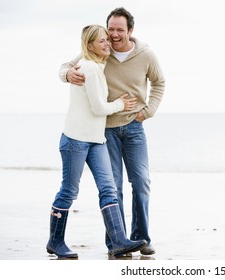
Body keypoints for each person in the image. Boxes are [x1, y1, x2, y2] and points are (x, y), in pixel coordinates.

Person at [59, 8, 165, 256]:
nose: (114, 35)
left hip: (134, 127)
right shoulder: (99, 52)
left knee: (141, 183)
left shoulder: (146, 55)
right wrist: (67, 74)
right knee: (112, 187)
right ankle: (117, 243)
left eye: (119, 30)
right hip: (105, 130)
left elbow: (159, 82)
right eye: (111, 30)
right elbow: (66, 66)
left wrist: (147, 111)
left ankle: (141, 238)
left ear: (130, 30)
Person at [47, 24, 147, 259]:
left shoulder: (97, 63)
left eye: (107, 39)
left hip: (96, 139)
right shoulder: (90, 67)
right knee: (69, 191)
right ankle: (55, 242)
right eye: (102, 40)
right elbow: (99, 107)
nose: (108, 43)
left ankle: (118, 241)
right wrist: (121, 105)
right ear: (89, 45)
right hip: (75, 140)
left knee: (108, 188)